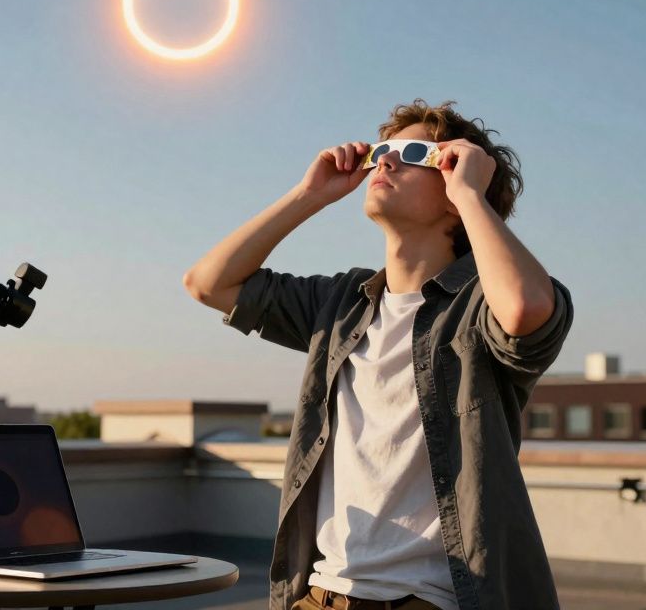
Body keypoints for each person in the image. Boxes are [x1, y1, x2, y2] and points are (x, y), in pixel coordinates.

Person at [183, 99, 574, 610]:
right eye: (381, 152)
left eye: (413, 154)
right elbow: (208, 283)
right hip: (321, 596)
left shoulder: (481, 306)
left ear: (455, 187)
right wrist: (309, 195)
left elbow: (525, 311)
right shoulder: (340, 303)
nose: (384, 162)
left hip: (432, 601)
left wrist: (473, 196)